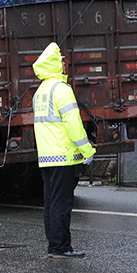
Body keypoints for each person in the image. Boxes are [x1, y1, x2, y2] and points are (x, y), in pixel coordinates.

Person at [32, 42, 96, 259]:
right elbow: (73, 125)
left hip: (47, 157)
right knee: (62, 203)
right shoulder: (61, 90)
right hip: (63, 156)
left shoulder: (40, 91)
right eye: (61, 61)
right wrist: (87, 151)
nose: (64, 64)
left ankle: (54, 246)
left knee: (51, 203)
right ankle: (61, 248)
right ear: (54, 64)